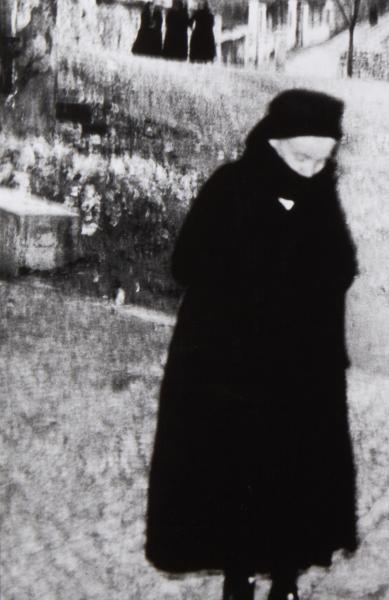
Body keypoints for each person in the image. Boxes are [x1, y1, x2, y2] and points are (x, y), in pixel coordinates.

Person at [145, 90, 359, 600]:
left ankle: (286, 579)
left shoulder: (321, 195)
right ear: (274, 144)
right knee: (234, 474)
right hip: (230, 369)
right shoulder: (230, 186)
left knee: (292, 476)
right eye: (301, 157)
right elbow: (186, 263)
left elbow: (343, 266)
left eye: (322, 160)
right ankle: (237, 577)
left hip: (300, 372)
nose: (311, 169)